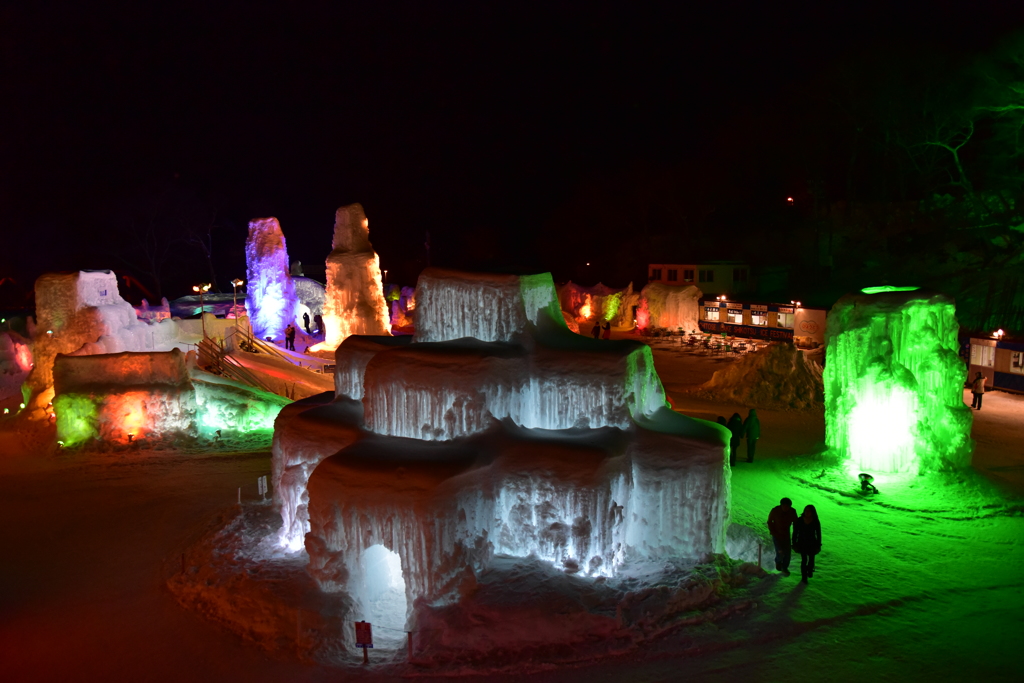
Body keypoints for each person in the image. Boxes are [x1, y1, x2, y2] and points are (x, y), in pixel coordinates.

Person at [767, 497, 799, 576]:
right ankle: (778, 561)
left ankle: (785, 567)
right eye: (784, 506)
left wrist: (797, 532)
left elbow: (796, 523)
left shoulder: (792, 512)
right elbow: (770, 521)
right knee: (780, 551)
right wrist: (773, 531)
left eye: (787, 506)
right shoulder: (775, 510)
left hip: (786, 535)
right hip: (776, 534)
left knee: (787, 553)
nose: (785, 508)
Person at [791, 504, 821, 584]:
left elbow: (818, 533)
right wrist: (794, 543)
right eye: (806, 511)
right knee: (804, 560)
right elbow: (795, 532)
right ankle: (804, 577)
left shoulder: (815, 521)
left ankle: (810, 570)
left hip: (812, 543)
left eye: (809, 511)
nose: (807, 512)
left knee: (811, 559)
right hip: (802, 542)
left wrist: (818, 544)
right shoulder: (800, 520)